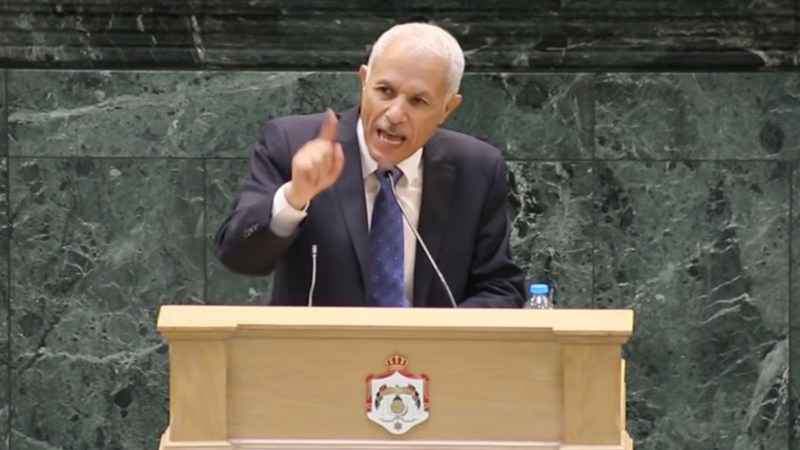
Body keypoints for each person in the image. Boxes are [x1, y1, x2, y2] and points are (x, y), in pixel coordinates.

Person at [214, 22, 525, 308]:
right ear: (364, 81)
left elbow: (499, 288)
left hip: (431, 352)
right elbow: (237, 257)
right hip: (317, 349)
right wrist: (294, 197)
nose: (394, 114)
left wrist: (438, 336)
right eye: (385, 91)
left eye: (418, 101)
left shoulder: (476, 168)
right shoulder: (291, 143)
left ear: (447, 108)